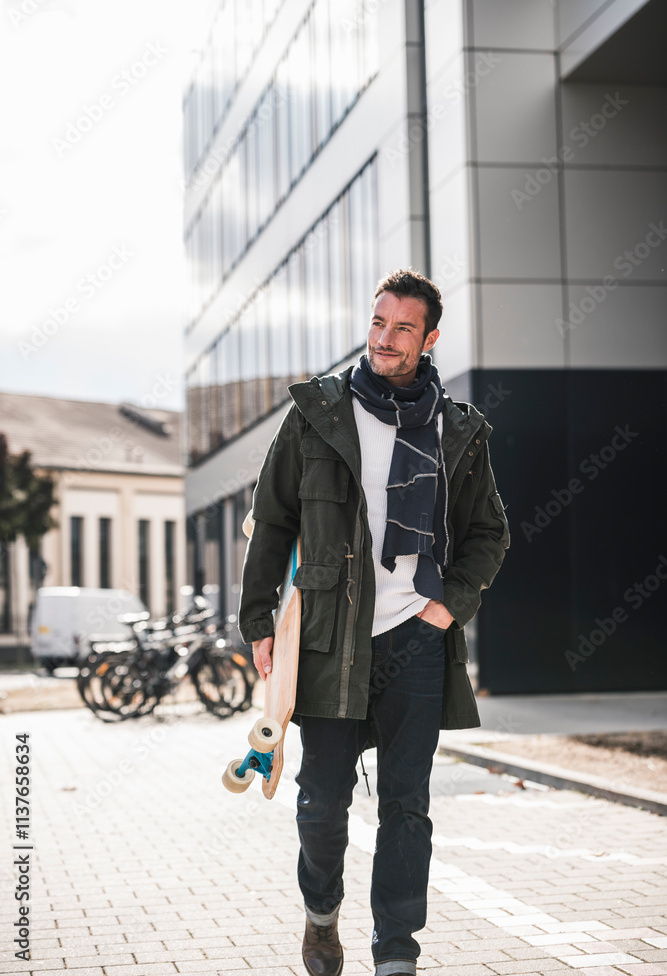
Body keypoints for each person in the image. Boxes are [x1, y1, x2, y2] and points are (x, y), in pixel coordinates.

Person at [239, 268, 510, 976]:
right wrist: (257, 623)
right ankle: (321, 916)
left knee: (406, 808)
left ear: (429, 339)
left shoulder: (458, 431)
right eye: (377, 322)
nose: (384, 339)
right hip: (328, 637)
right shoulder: (318, 414)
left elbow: (488, 533)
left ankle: (396, 953)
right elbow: (273, 519)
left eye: (402, 328)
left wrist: (447, 607)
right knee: (321, 803)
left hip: (415, 640)